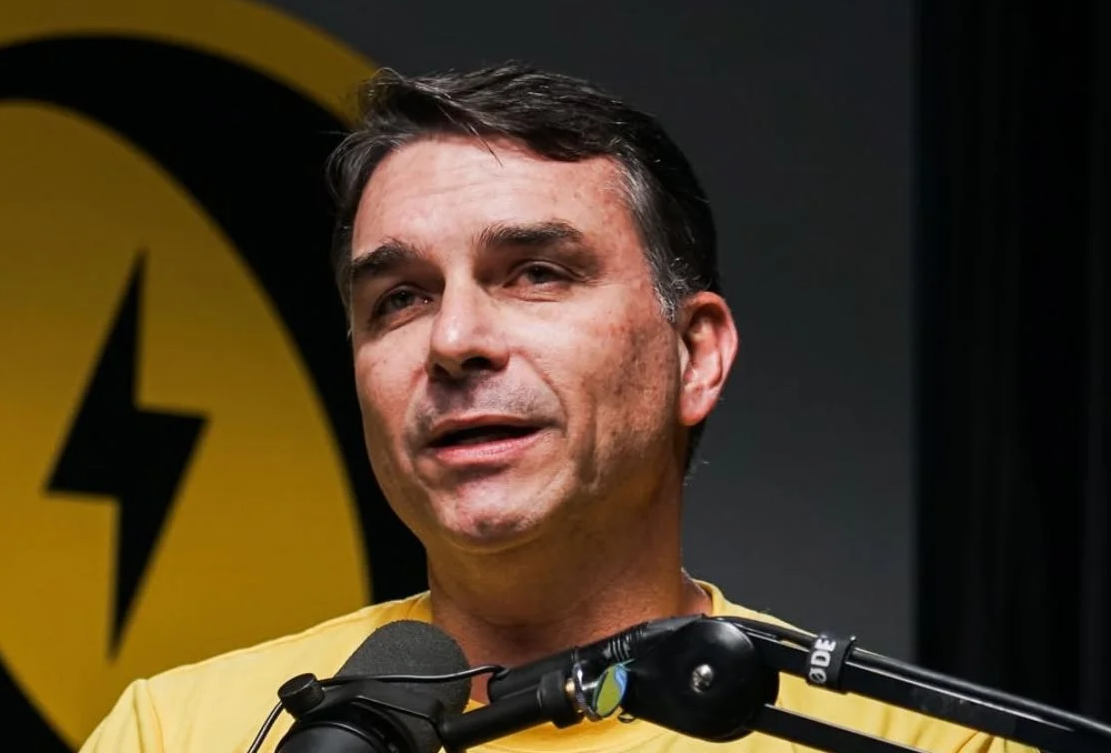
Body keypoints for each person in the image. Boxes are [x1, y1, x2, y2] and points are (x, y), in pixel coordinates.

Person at [80, 62, 1033, 753]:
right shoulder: (175, 732)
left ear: (695, 355)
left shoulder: (926, 746)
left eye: (537, 273)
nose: (454, 340)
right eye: (400, 298)